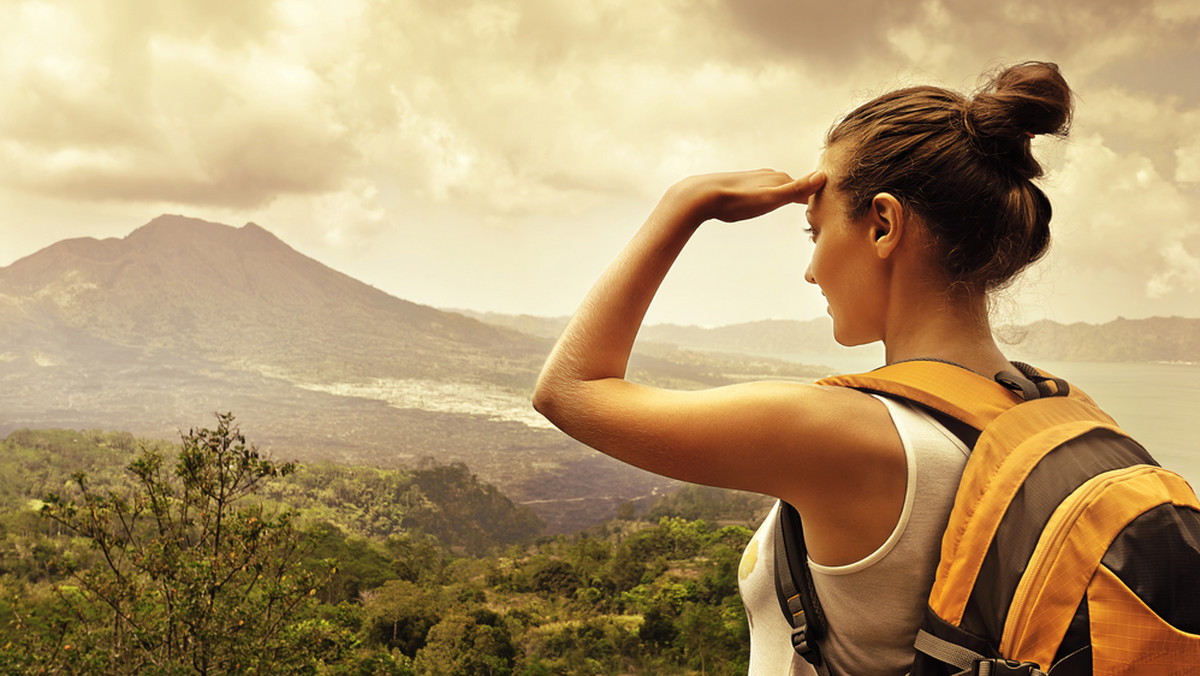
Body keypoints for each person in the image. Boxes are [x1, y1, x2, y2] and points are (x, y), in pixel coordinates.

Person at [533, 61, 1073, 675]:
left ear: (883, 226)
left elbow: (568, 391)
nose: (811, 270)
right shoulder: (1047, 409)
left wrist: (682, 205)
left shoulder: (847, 433)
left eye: (813, 231)